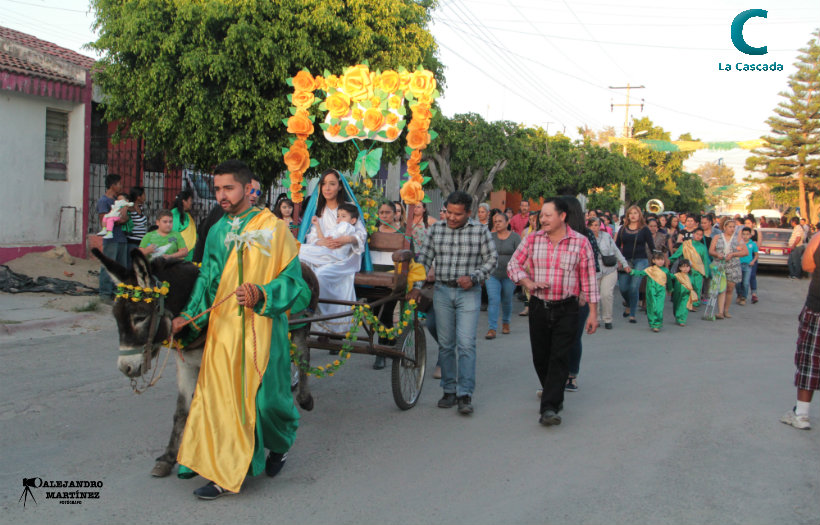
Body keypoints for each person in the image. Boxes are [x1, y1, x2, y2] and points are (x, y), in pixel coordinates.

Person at [170, 159, 311, 499]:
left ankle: (279, 444)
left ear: (248, 188)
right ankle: (223, 471)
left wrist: (263, 293)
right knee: (222, 401)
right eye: (217, 189)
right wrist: (189, 315)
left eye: (228, 188)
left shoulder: (273, 228)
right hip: (224, 331)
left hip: (263, 329)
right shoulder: (217, 231)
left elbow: (297, 286)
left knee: (267, 402)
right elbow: (208, 281)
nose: (221, 195)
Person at [508, 198, 598, 426]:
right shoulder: (532, 239)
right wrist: (527, 282)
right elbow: (513, 265)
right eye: (542, 215)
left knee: (559, 356)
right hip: (539, 306)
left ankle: (549, 407)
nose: (543, 219)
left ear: (562, 216)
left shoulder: (580, 243)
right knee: (541, 356)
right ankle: (554, 394)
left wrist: (593, 313)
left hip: (567, 308)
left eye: (548, 215)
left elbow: (589, 280)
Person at [409, 190, 498, 416]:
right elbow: (424, 260)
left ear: (468, 213)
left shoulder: (479, 231)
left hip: (469, 293)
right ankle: (448, 389)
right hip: (441, 291)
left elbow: (492, 260)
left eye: (457, 214)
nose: (451, 217)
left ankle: (465, 393)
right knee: (446, 344)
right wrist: (417, 288)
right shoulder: (436, 229)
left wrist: (475, 277)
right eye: (448, 212)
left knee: (466, 344)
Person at [298, 169, 369, 334]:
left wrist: (347, 239)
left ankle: (329, 323)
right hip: (323, 252)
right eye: (324, 184)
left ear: (339, 187)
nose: (327, 188)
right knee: (305, 267)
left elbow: (361, 234)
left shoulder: (348, 209)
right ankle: (314, 319)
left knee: (320, 275)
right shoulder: (319, 211)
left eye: (332, 184)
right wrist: (319, 240)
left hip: (344, 258)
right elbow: (311, 236)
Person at [782, 231, 820, 430]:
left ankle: (802, 414)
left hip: (817, 308)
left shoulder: (819, 238)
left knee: (810, 361)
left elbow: (807, 265)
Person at [615, 205, 654, 323]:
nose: (633, 215)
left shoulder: (645, 229)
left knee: (634, 286)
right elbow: (616, 246)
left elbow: (652, 246)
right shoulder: (622, 229)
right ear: (627, 216)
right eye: (630, 213)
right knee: (623, 287)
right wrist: (619, 260)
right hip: (625, 260)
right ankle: (628, 302)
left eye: (635, 213)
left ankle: (632, 313)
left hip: (641, 260)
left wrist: (656, 261)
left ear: (639, 215)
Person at [588, 217, 628, 330]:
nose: (594, 228)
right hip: (593, 270)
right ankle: (596, 318)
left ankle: (608, 319)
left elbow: (616, 250)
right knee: (595, 296)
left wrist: (624, 264)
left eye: (596, 225)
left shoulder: (606, 236)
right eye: (592, 225)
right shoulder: (585, 238)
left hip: (609, 268)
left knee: (606, 294)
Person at [485, 211, 520, 339]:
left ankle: (506, 323)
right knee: (493, 300)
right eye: (495, 222)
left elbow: (520, 255)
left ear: (507, 222)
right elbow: (484, 253)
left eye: (500, 221)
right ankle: (492, 328)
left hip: (509, 275)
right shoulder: (490, 236)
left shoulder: (515, 237)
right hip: (492, 274)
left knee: (506, 299)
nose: (497, 224)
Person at [97, 174, 129, 302]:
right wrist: (119, 220)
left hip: (121, 238)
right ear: (112, 185)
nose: (121, 186)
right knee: (108, 266)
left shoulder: (118, 201)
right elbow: (104, 222)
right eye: (119, 184)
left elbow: (125, 218)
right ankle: (105, 293)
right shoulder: (104, 201)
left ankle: (118, 293)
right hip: (111, 239)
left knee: (121, 268)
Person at [709, 218, 748, 319]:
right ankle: (720, 312)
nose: (732, 229)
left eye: (733, 227)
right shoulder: (717, 237)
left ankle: (726, 310)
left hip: (733, 265)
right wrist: (718, 254)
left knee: (730, 288)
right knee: (721, 288)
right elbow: (711, 250)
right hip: (720, 264)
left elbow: (745, 252)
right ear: (724, 227)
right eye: (730, 227)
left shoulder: (738, 239)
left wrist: (733, 254)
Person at [630, 252, 672, 332]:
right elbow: (640, 273)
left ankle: (657, 324)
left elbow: (669, 281)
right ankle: (653, 323)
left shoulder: (666, 271)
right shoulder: (650, 270)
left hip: (661, 291)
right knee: (652, 307)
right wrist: (632, 271)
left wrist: (670, 290)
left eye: (662, 259)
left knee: (659, 308)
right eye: (658, 259)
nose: (660, 261)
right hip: (651, 291)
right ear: (653, 260)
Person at [669, 227, 710, 306]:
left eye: (701, 235)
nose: (698, 236)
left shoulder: (703, 247)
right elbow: (676, 255)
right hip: (686, 270)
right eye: (697, 234)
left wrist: (706, 273)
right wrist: (667, 261)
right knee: (686, 287)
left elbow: (705, 260)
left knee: (697, 288)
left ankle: (695, 303)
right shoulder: (686, 244)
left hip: (698, 271)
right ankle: (685, 302)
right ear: (693, 234)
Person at [670, 259, 697, 326]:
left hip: (687, 294)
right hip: (677, 294)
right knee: (677, 305)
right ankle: (677, 317)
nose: (685, 268)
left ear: (690, 268)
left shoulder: (691, 277)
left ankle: (682, 320)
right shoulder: (677, 275)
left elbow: (694, 285)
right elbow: (670, 277)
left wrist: (695, 293)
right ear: (679, 268)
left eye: (687, 267)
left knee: (684, 306)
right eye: (683, 267)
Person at [171, 189, 197, 261]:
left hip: (189, 253)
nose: (191, 203)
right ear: (184, 201)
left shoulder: (187, 215)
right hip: (180, 253)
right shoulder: (175, 213)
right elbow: (173, 232)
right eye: (190, 201)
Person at [736, 227, 759, 306]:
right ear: (741, 235)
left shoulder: (752, 244)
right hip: (738, 265)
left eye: (747, 234)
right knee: (738, 282)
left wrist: (753, 261)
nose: (745, 236)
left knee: (746, 282)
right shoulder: (739, 243)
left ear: (750, 235)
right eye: (744, 234)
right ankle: (739, 294)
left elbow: (756, 255)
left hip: (748, 265)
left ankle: (744, 297)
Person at [126, 187, 149, 260]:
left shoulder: (140, 208)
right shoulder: (131, 208)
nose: (145, 196)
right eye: (144, 194)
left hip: (141, 241)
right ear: (138, 197)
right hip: (133, 241)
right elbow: (141, 222)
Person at [743, 216, 760, 303]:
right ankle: (742, 294)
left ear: (753, 224)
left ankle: (754, 294)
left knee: (752, 275)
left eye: (749, 223)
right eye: (745, 223)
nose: (747, 225)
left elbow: (759, 244)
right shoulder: (742, 233)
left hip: (753, 256)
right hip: (743, 257)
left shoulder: (757, 232)